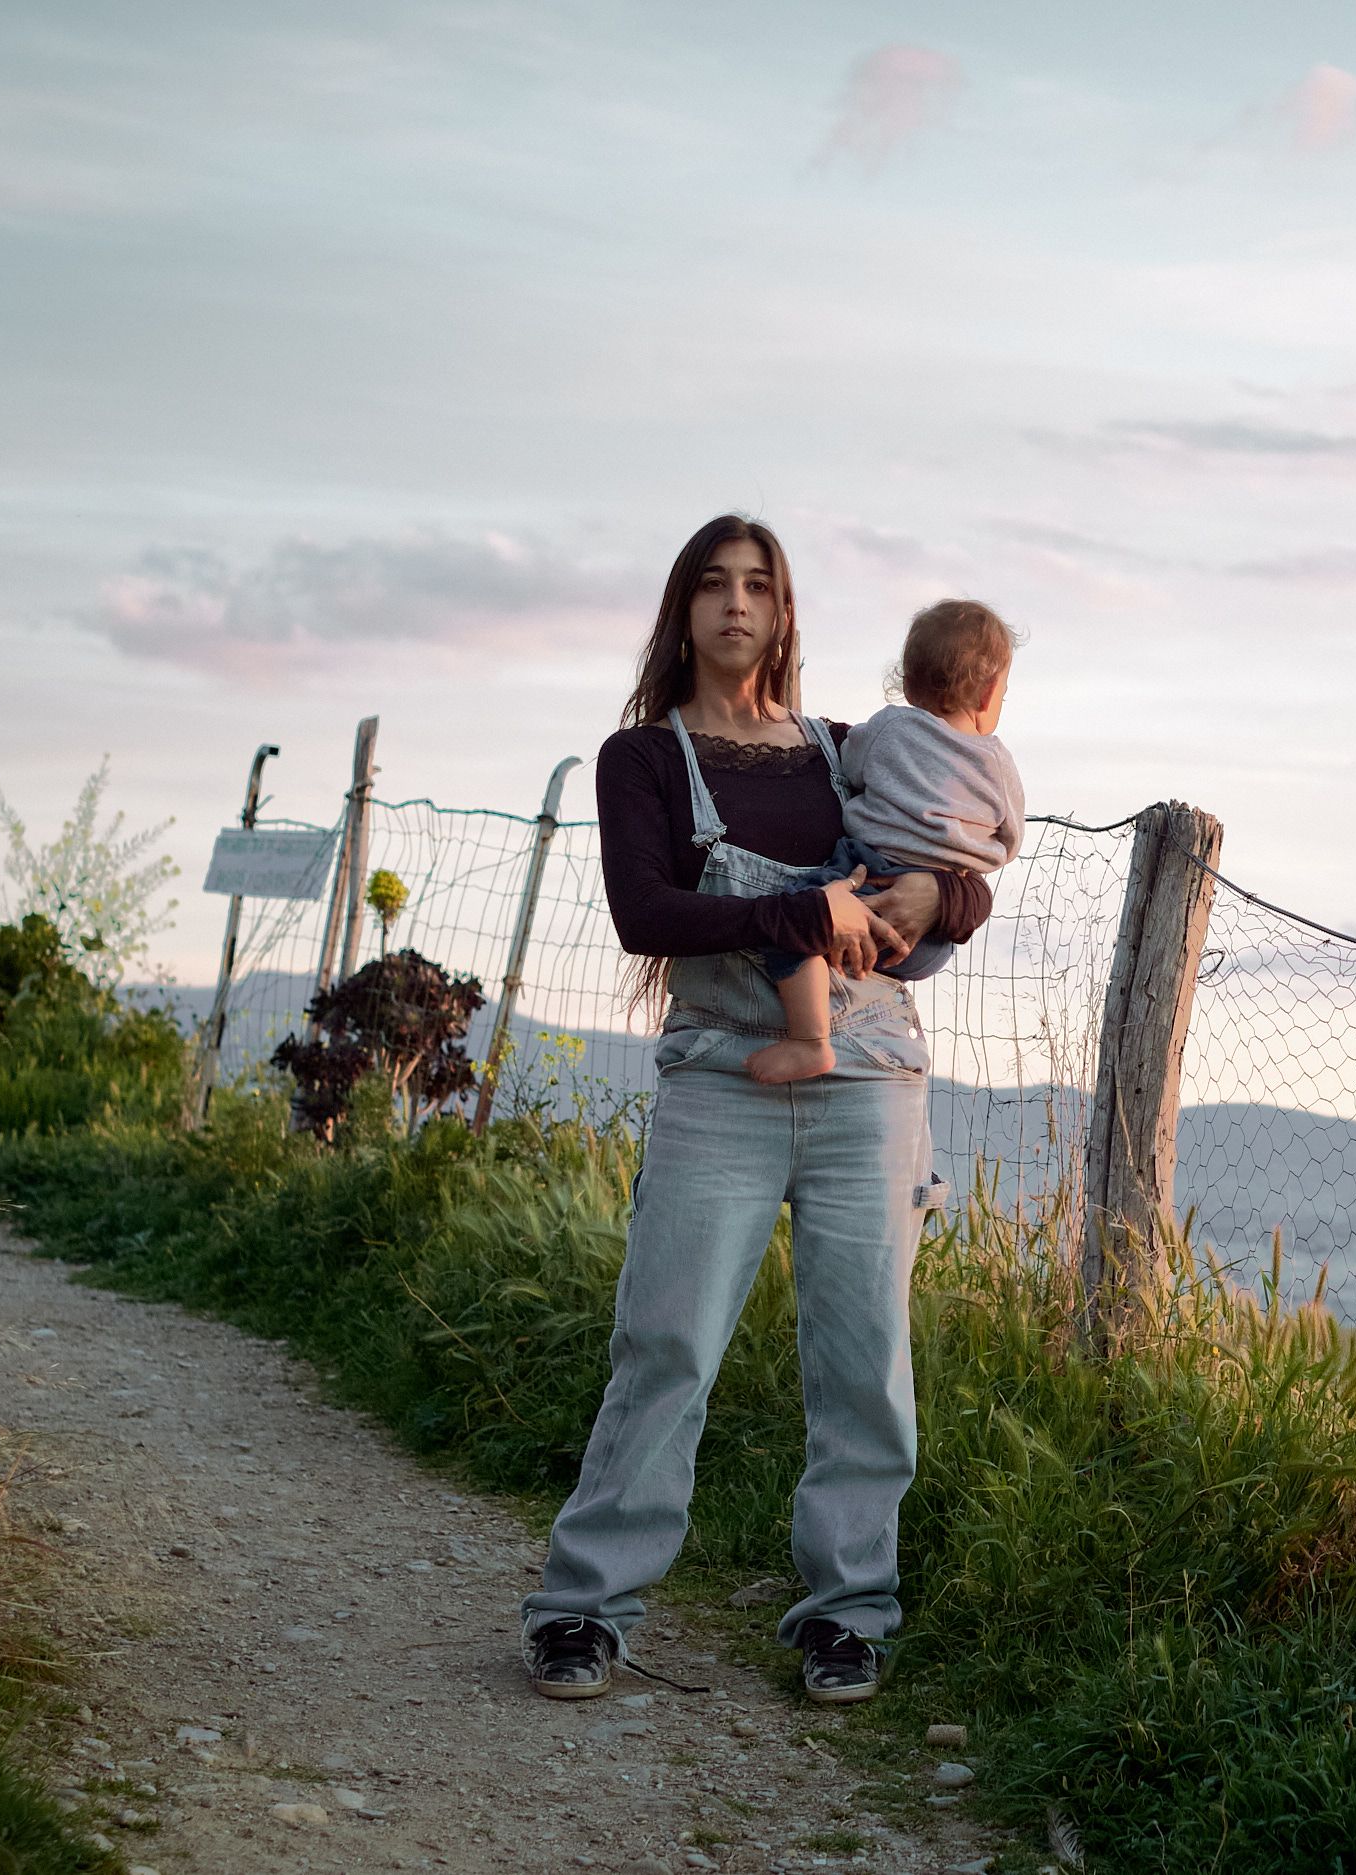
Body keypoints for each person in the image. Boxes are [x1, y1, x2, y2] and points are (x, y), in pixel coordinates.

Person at [521, 515, 993, 1706]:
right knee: (666, 1343)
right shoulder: (642, 758)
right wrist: (792, 917)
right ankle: (584, 1606)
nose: (738, 605)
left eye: (760, 588)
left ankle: (847, 1616)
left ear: (784, 616)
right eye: (716, 587)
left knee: (864, 1363)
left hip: (871, 1080)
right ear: (683, 611)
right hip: (723, 1077)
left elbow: (961, 870)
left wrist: (942, 887)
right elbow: (647, 914)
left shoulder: (845, 749)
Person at [744, 600, 1026, 1085]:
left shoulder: (891, 727)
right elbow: (1011, 834)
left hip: (867, 875)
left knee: (798, 918)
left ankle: (810, 1040)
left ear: (909, 682)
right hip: (931, 940)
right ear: (987, 695)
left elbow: (850, 767)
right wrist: (964, 859)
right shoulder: (997, 763)